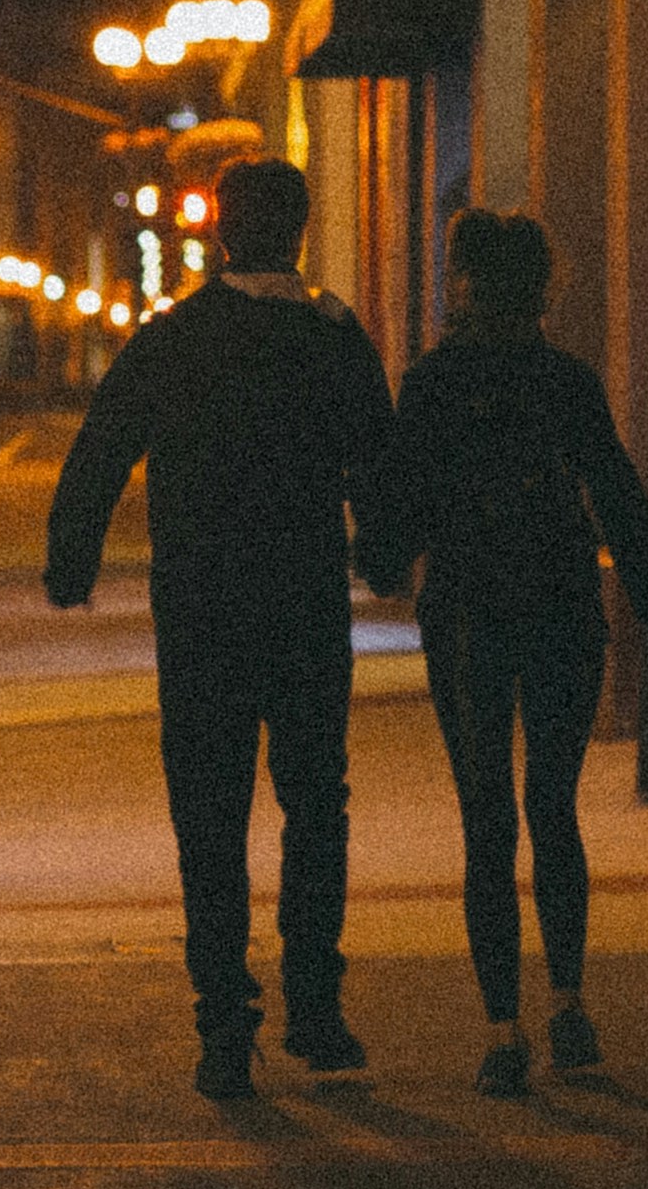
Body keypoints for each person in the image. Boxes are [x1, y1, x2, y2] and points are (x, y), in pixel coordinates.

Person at [46, 159, 401, 1099]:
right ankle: (316, 1011)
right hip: (304, 606)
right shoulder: (333, 337)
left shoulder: (174, 339)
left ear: (218, 233)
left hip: (201, 611)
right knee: (315, 803)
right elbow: (378, 456)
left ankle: (222, 1023)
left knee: (210, 814)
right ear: (302, 229)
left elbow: (101, 450)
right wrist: (387, 551)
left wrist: (71, 562)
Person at [384, 209, 648, 1096]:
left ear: (466, 281)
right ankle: (566, 1006)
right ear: (541, 285)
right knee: (552, 809)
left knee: (486, 821)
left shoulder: (433, 383)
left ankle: (500, 1030)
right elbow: (621, 498)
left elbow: (399, 511)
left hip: (469, 612)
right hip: (560, 603)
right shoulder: (565, 381)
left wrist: (372, 556)